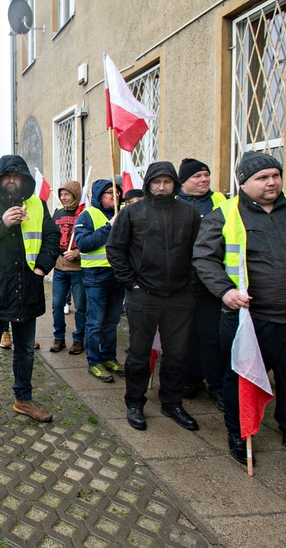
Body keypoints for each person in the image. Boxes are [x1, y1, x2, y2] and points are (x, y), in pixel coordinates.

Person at [194, 151, 286, 469]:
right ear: (243, 183)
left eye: (276, 175)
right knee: (241, 380)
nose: (272, 181)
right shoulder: (226, 214)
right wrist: (225, 291)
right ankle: (239, 434)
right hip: (251, 318)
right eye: (262, 177)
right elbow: (204, 257)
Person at [0, 155, 60, 435]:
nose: (12, 181)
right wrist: (1, 223)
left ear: (25, 180)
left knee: (26, 351)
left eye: (17, 176)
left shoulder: (38, 205)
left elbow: (52, 238)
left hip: (26, 291)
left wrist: (42, 267)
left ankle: (23, 400)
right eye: (7, 177)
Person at [106, 162, 202, 432]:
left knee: (177, 353)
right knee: (138, 353)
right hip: (143, 295)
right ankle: (135, 402)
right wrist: (130, 282)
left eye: (167, 182)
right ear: (148, 184)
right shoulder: (133, 213)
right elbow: (115, 249)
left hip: (180, 296)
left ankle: (171, 402)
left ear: (175, 184)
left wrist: (192, 284)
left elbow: (199, 251)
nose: (162, 187)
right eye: (156, 182)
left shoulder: (189, 213)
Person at [176, 158, 228, 410]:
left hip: (212, 282)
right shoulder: (173, 203)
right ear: (183, 181)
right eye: (197, 176)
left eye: (206, 174)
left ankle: (217, 386)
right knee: (186, 336)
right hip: (182, 282)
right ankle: (190, 379)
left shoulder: (222, 202)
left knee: (212, 336)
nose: (204, 179)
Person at [74, 179, 125, 382]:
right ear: (98, 196)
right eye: (108, 193)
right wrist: (109, 227)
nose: (114, 196)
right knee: (95, 322)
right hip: (95, 277)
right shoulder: (87, 216)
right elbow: (84, 244)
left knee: (112, 321)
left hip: (118, 276)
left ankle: (109, 357)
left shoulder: (123, 214)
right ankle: (94, 362)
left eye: (117, 192)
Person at [50, 181, 86, 355]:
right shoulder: (57, 213)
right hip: (59, 268)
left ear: (75, 195)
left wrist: (77, 252)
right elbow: (51, 235)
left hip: (78, 270)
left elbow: (91, 238)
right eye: (61, 194)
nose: (63, 198)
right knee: (57, 305)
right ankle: (59, 338)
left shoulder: (84, 214)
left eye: (67, 194)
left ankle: (79, 340)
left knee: (80, 307)